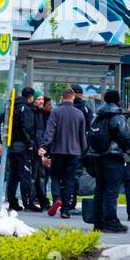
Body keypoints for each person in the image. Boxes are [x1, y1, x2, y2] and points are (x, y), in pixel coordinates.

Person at [86, 88, 130, 233]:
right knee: (111, 191)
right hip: (113, 156)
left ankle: (98, 222)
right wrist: (128, 150)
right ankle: (111, 222)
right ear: (118, 100)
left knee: (100, 189)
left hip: (98, 157)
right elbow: (125, 136)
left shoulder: (98, 116)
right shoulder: (117, 116)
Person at [38, 87, 86, 219]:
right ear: (73, 98)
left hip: (58, 151)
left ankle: (57, 198)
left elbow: (50, 131)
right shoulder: (79, 114)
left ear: (62, 97)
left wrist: (44, 145)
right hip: (74, 153)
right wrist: (83, 151)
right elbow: (82, 136)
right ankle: (65, 210)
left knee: (55, 177)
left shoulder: (56, 112)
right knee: (69, 180)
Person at [1, 87, 39, 212]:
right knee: (25, 174)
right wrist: (30, 143)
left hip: (11, 147)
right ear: (30, 97)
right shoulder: (25, 109)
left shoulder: (11, 108)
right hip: (22, 147)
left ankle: (12, 201)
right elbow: (26, 128)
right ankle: (28, 202)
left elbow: (2, 124)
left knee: (13, 175)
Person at [30, 94, 51, 211]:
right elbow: (36, 133)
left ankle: (42, 200)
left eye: (42, 99)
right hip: (36, 149)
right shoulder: (34, 113)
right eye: (38, 99)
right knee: (35, 176)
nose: (40, 101)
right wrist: (39, 148)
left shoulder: (41, 113)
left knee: (40, 176)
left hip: (40, 148)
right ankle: (34, 199)